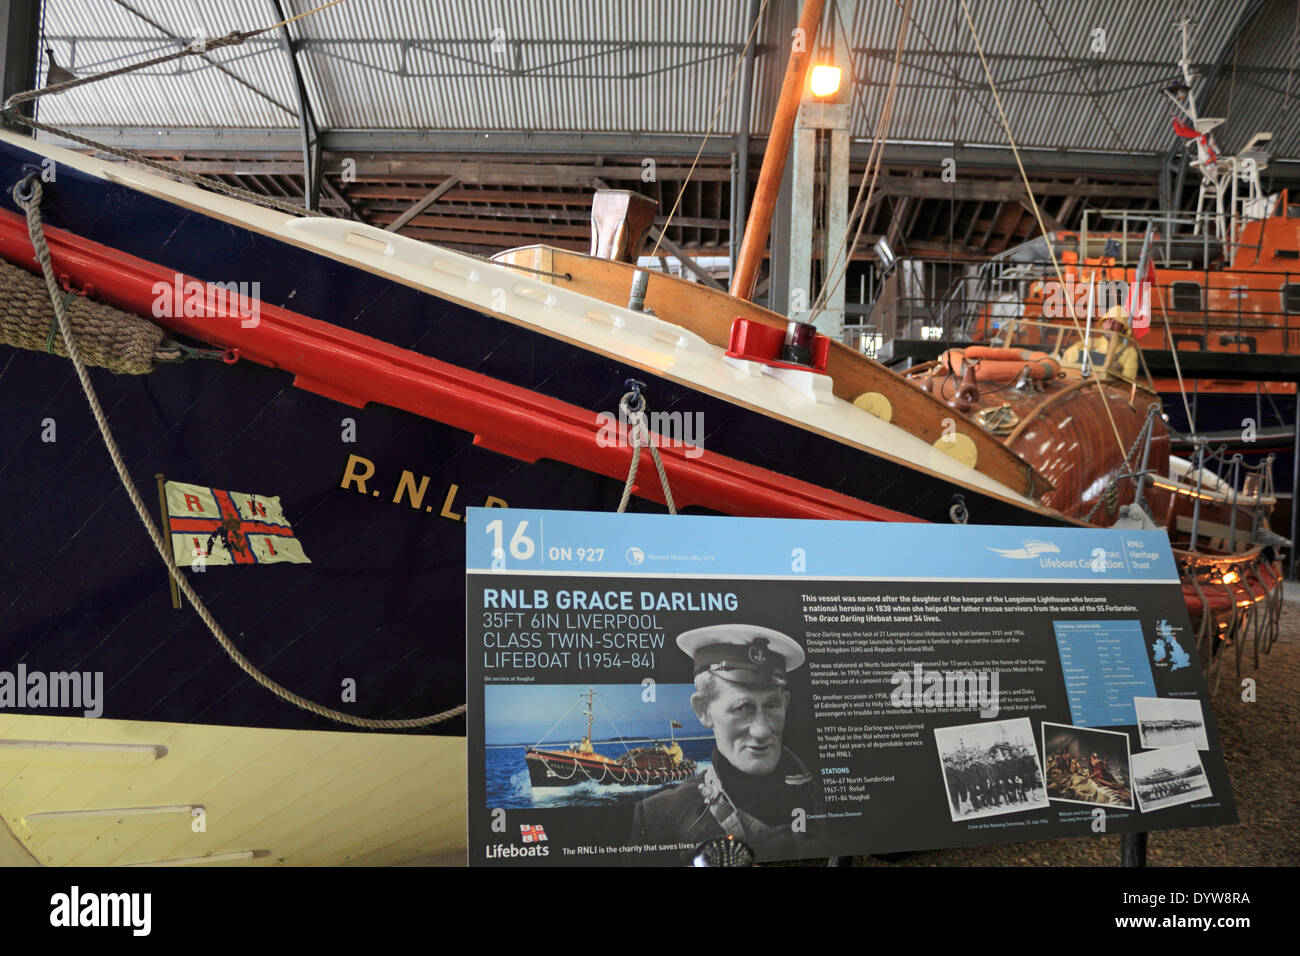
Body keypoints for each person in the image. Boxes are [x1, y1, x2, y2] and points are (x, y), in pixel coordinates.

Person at [628, 624, 824, 860]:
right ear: (703, 711)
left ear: (786, 703)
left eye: (772, 705)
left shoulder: (827, 797)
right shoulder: (659, 818)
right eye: (742, 708)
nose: (762, 730)